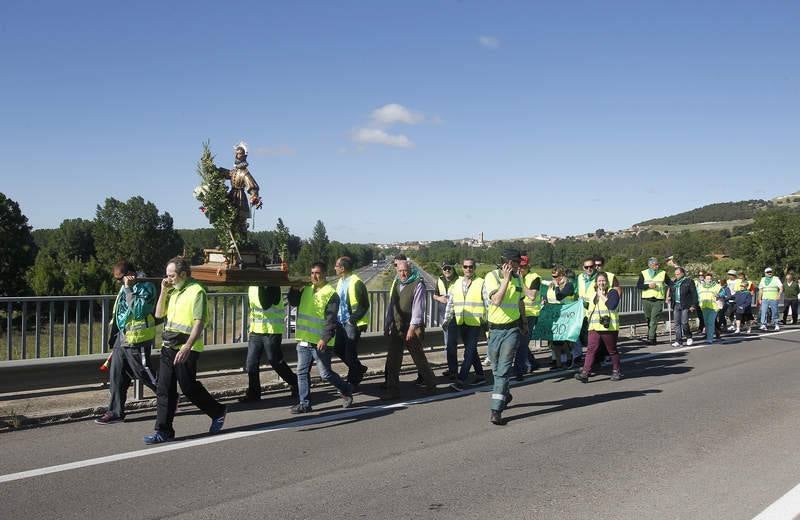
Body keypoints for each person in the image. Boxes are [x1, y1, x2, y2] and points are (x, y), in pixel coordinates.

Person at [144, 257, 226, 444]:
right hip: (168, 347)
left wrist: (188, 346)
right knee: (164, 389)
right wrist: (163, 290)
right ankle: (163, 431)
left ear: (183, 274)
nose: (168, 279)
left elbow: (199, 321)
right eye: (167, 275)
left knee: (188, 388)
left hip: (186, 348)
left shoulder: (197, 291)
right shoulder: (172, 290)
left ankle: (217, 411)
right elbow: (158, 314)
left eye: (171, 276)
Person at [95, 261, 158, 425]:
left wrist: (129, 288)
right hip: (121, 339)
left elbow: (138, 312)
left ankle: (169, 396)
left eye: (120, 278)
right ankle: (115, 412)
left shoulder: (146, 287)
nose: (118, 282)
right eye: (116, 279)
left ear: (131, 273)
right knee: (117, 376)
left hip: (137, 338)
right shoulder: (125, 285)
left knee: (144, 373)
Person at [287, 262, 354, 413]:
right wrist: (293, 290)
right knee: (302, 372)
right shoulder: (307, 290)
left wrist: (325, 338)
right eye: (312, 273)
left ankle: (346, 389)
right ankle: (305, 403)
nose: (314, 276)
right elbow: (293, 302)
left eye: (317, 273)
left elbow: (331, 320)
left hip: (320, 341)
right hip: (304, 339)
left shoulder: (331, 294)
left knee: (325, 374)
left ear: (324, 274)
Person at [382, 259, 437, 400]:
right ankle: (392, 390)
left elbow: (418, 308)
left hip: (411, 327)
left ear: (410, 270)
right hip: (397, 326)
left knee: (419, 358)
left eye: (405, 270)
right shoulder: (397, 283)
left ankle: (431, 384)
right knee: (393, 360)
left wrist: (412, 329)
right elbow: (392, 306)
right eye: (400, 271)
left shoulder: (417, 284)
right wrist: (387, 323)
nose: (403, 274)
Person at [483, 249, 526, 425]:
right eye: (514, 263)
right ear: (505, 262)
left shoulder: (517, 278)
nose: (516, 266)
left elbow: (520, 301)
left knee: (503, 370)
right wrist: (506, 280)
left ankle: (496, 410)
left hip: (512, 330)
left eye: (518, 264)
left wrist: (524, 323)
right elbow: (497, 300)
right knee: (496, 370)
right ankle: (505, 394)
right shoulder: (491, 276)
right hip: (494, 331)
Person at [241, 284, 298, 402]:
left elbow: (265, 304)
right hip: (256, 331)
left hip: (272, 330)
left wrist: (262, 285)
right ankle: (254, 393)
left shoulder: (273, 286)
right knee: (251, 363)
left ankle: (296, 383)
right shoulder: (252, 286)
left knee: (275, 361)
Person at [446, 258, 487, 390]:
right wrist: (446, 320)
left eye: (471, 267)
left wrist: (487, 321)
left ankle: (461, 380)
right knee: (472, 350)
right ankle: (480, 375)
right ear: (462, 268)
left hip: (475, 322)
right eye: (465, 267)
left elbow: (487, 303)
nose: (468, 269)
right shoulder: (457, 283)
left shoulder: (481, 282)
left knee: (468, 352)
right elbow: (451, 303)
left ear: (475, 268)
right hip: (461, 321)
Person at [574, 272, 622, 382]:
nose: (601, 283)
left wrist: (602, 296)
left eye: (603, 280)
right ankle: (585, 373)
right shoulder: (593, 294)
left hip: (608, 327)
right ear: (596, 283)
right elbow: (590, 308)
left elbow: (612, 305)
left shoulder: (613, 292)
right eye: (599, 281)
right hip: (594, 327)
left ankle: (616, 371)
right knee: (591, 350)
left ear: (607, 282)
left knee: (612, 350)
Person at [333, 256, 370, 389]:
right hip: (340, 322)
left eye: (336, 266)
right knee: (337, 349)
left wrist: (351, 320)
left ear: (342, 268)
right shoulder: (341, 281)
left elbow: (364, 305)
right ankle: (358, 368)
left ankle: (353, 381)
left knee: (350, 353)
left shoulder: (356, 282)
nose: (335, 268)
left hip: (352, 323)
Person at [216, 141, 262, 238]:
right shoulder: (234, 171)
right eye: (236, 153)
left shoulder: (244, 172)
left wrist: (254, 196)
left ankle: (242, 240)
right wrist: (213, 169)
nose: (237, 155)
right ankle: (228, 240)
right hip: (231, 196)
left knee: (240, 220)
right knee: (229, 218)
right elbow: (226, 173)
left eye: (239, 153)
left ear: (244, 156)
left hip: (240, 198)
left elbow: (252, 185)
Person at [432, 261, 460, 378]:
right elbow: (435, 295)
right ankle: (452, 368)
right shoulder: (439, 280)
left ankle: (454, 371)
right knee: (447, 344)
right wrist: (440, 298)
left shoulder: (459, 280)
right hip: (444, 316)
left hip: (456, 315)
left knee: (451, 344)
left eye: (449, 268)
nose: (447, 271)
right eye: (445, 269)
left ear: (453, 269)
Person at [515, 255, 542, 377]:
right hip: (518, 312)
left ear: (528, 266)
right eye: (519, 266)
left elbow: (531, 296)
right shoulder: (515, 277)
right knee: (520, 342)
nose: (521, 269)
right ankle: (532, 362)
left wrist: (521, 281)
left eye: (523, 267)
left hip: (530, 313)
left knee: (522, 342)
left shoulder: (535, 278)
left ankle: (522, 368)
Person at [545, 265, 576, 369]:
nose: (554, 278)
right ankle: (557, 362)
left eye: (556, 276)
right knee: (554, 341)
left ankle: (569, 358)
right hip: (554, 315)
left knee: (564, 341)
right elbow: (548, 296)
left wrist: (557, 286)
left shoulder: (569, 285)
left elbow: (559, 296)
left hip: (566, 315)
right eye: (552, 276)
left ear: (562, 275)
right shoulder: (552, 285)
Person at [637, 258, 670, 345]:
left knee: (654, 320)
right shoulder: (643, 273)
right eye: (656, 264)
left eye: (658, 264)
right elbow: (639, 286)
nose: (658, 266)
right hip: (646, 299)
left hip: (658, 300)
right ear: (650, 265)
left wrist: (669, 295)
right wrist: (648, 286)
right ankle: (653, 336)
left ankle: (651, 339)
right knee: (648, 319)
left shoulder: (663, 273)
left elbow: (670, 283)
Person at [667, 267, 698, 347]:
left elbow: (694, 294)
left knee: (684, 322)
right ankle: (678, 340)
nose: (676, 275)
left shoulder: (689, 281)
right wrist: (669, 297)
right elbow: (671, 291)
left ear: (682, 273)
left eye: (678, 274)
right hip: (676, 304)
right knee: (677, 323)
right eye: (675, 274)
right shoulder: (674, 282)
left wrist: (693, 305)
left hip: (685, 305)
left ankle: (689, 337)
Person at [696, 273, 722, 344]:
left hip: (713, 307)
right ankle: (709, 336)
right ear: (704, 279)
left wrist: (719, 295)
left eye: (710, 279)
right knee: (706, 322)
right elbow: (697, 295)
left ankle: (710, 339)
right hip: (704, 307)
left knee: (710, 322)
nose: (709, 280)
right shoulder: (700, 286)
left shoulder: (716, 286)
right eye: (707, 279)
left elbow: (723, 292)